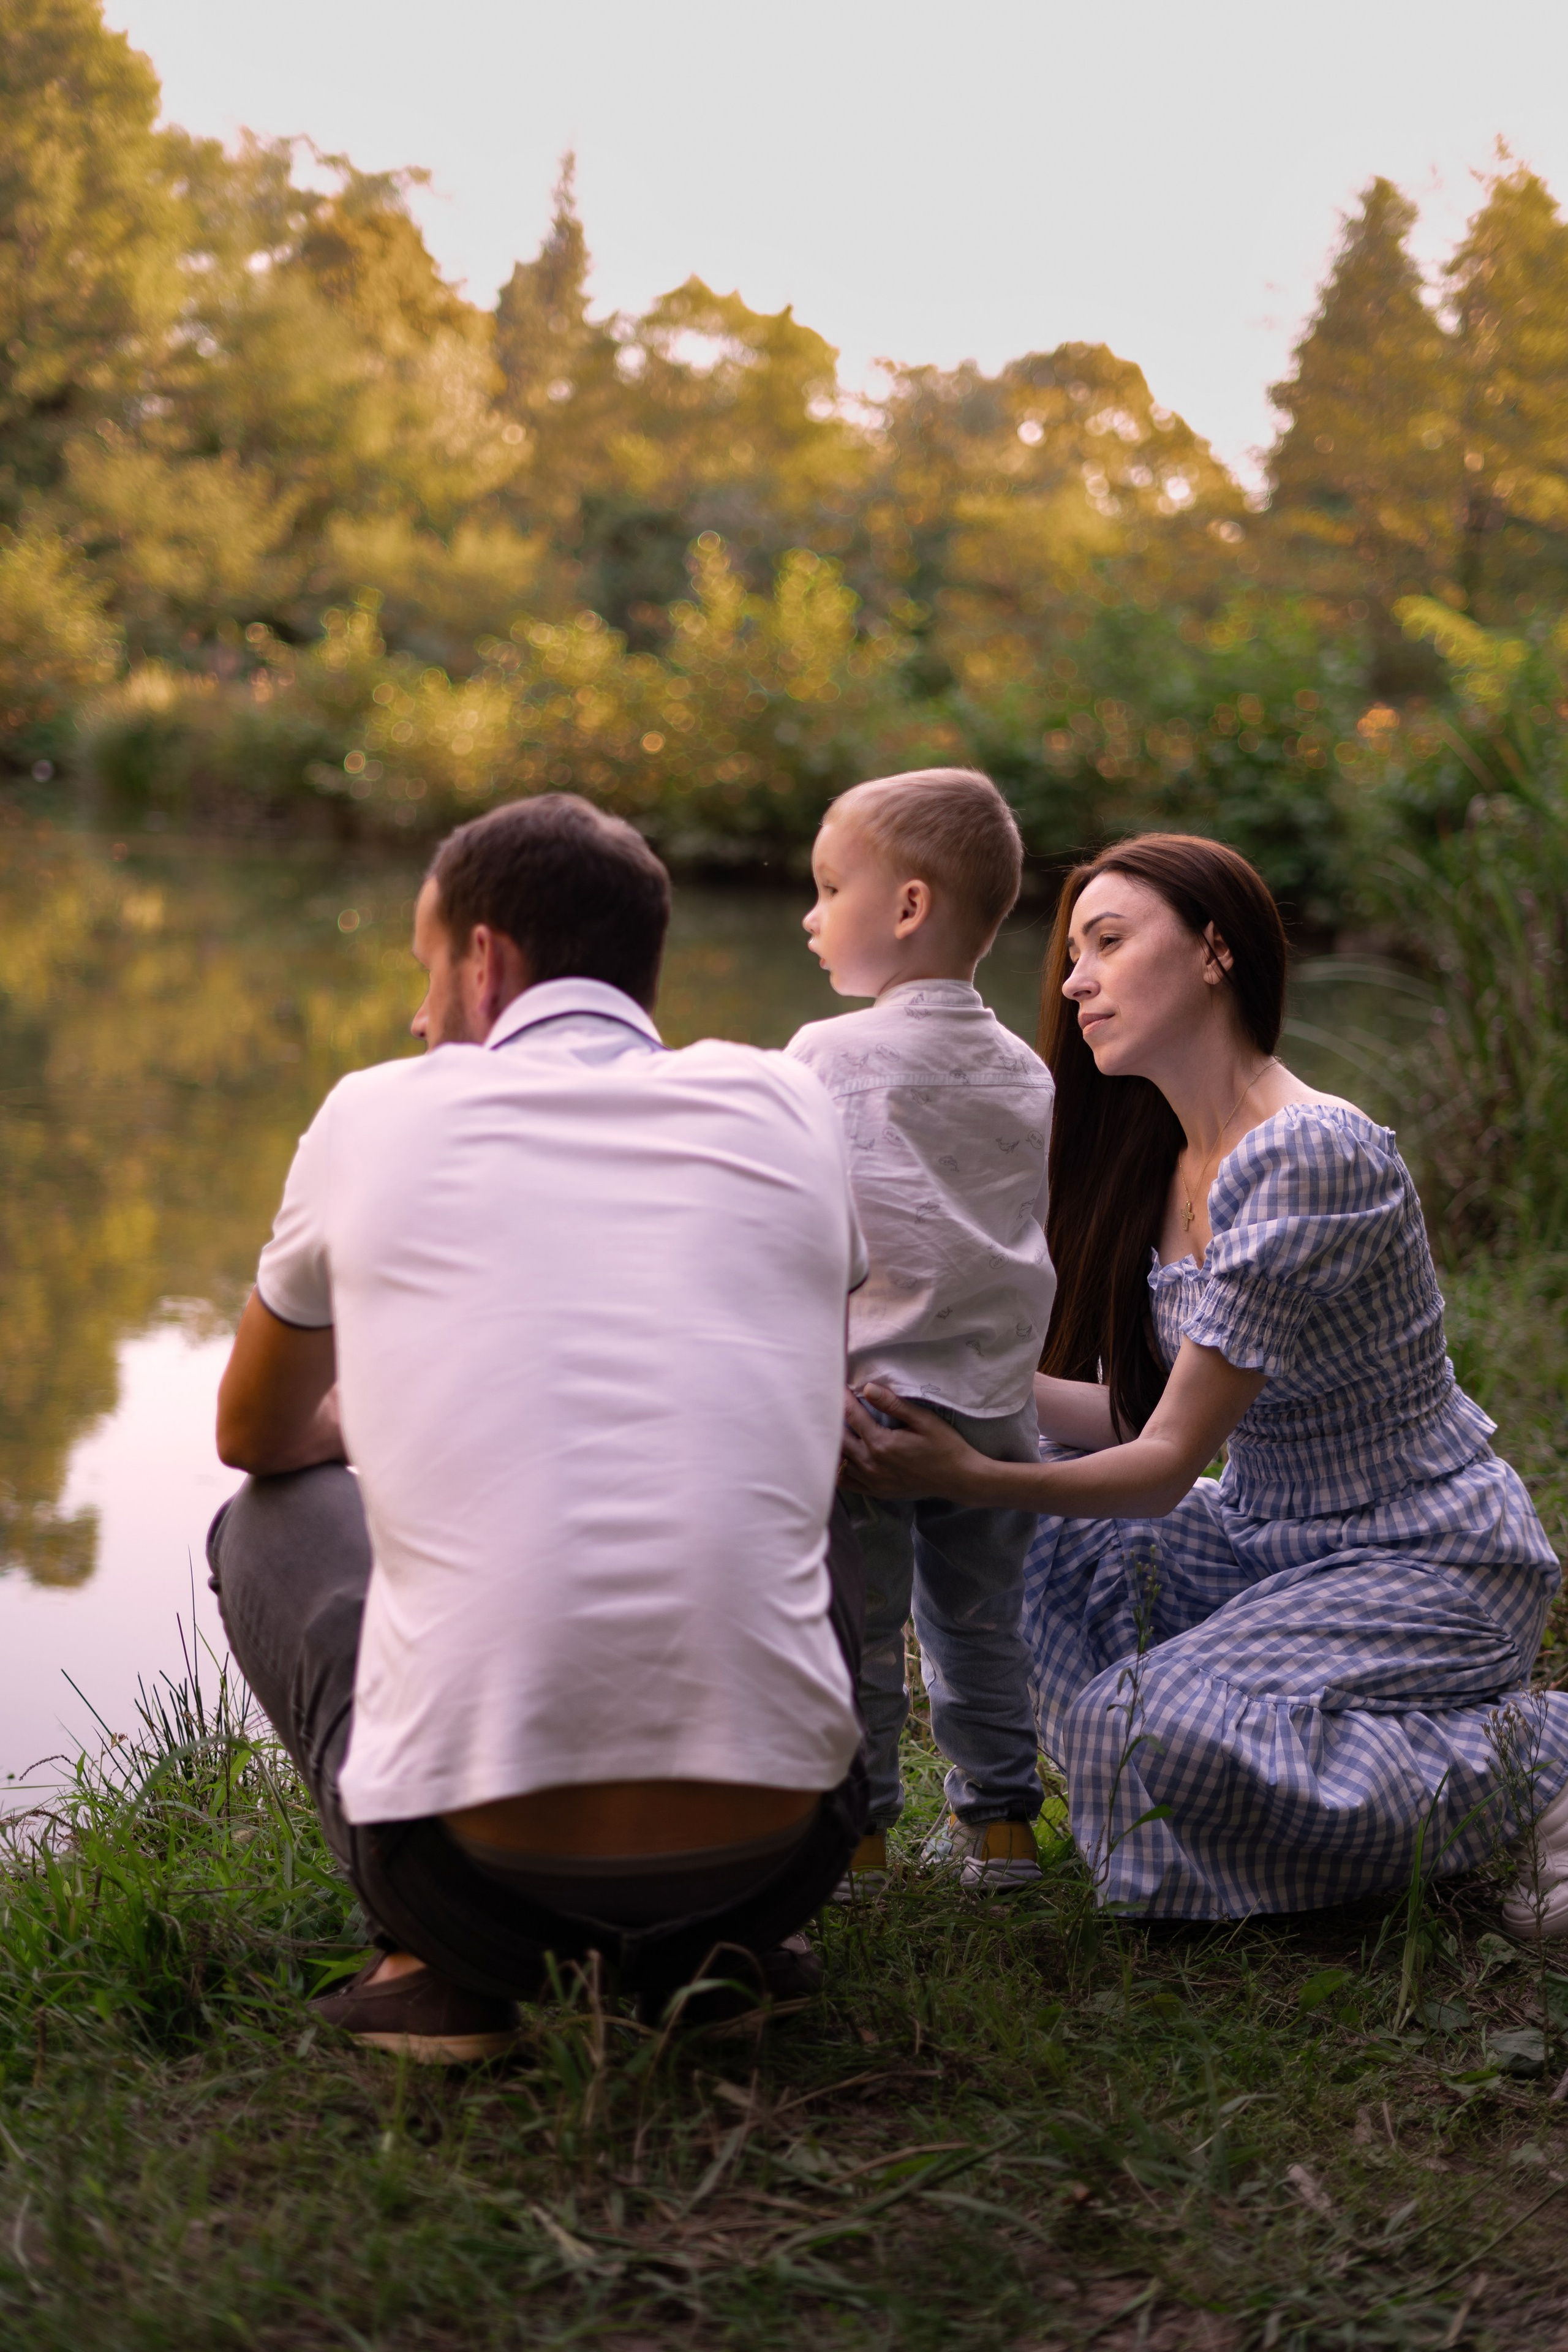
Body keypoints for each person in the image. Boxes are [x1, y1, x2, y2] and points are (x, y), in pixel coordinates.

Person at [209, 794, 870, 2062]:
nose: (417, 1017)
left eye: (423, 970)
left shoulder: (375, 1111)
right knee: (777, 1468)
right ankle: (727, 1961)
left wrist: (396, 1423)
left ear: (485, 958)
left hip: (472, 1892)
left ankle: (434, 1970)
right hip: (782, 1861)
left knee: (269, 1519)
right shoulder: (788, 1101)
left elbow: (254, 1429)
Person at [840, 832, 1568, 1931]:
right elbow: (1138, 1416)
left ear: (1216, 952)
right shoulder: (1170, 1156)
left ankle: (1537, 1764)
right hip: (1266, 1542)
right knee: (1030, 1536)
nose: (1076, 977)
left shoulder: (1310, 1153)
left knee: (1137, 1726)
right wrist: (927, 1377)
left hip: (1424, 1556)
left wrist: (968, 1468)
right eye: (1074, 952)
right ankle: (1250, 1760)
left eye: (1110, 942)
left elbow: (1163, 1468)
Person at [786, 769, 1055, 1893]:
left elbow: (794, 1228)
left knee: (858, 1628)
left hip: (870, 1408)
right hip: (998, 1411)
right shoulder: (1032, 1072)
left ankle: (858, 1839)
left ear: (905, 907)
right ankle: (1001, 1831)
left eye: (828, 886)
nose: (808, 915)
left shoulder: (825, 1059)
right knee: (981, 1628)